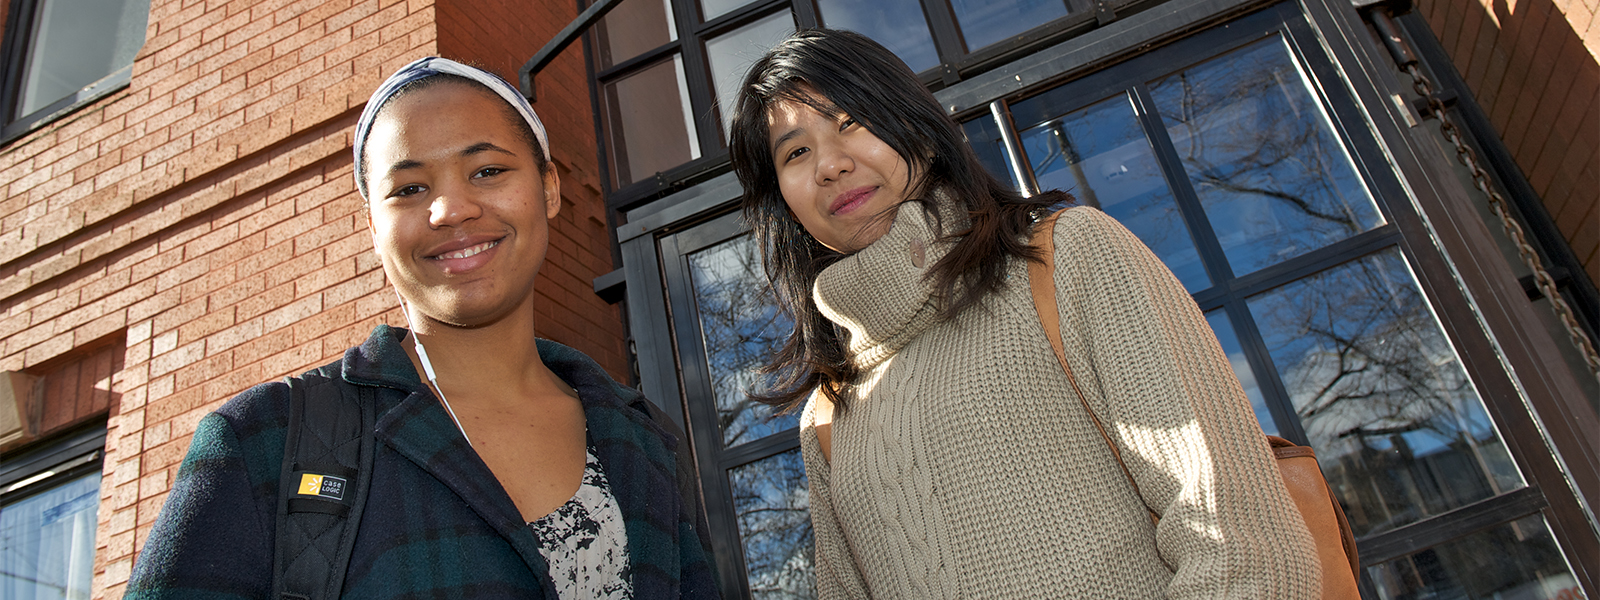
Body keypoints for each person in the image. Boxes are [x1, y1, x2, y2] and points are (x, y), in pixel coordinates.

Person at [728, 29, 1322, 599]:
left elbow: (1244, 547)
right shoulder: (828, 413)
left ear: (921, 130)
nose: (829, 164)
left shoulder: (1069, 256)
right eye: (797, 152)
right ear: (785, 201)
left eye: (851, 122)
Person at [126, 58, 720, 599]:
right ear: (373, 225)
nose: (450, 210)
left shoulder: (646, 442)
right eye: (410, 189)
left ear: (548, 188)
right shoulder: (264, 442)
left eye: (487, 171)